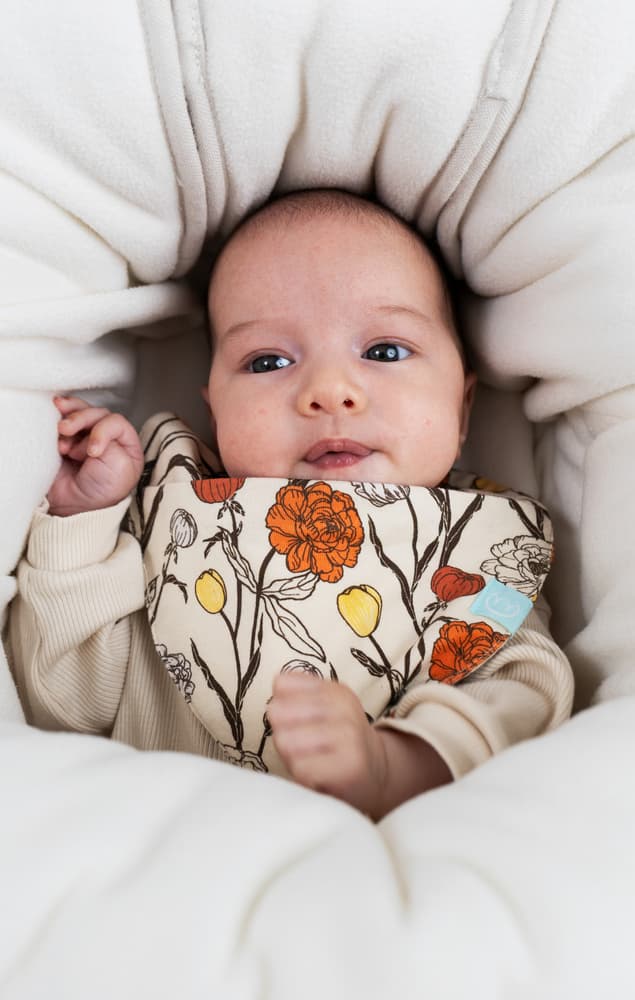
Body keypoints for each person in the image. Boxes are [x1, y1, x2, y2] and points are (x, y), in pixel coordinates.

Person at [7, 190, 573, 820]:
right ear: (216, 412)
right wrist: (82, 525)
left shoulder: (482, 545)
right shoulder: (171, 507)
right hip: (167, 833)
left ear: (462, 410)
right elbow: (65, 704)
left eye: (384, 351)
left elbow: (524, 690)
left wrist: (397, 761)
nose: (328, 391)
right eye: (268, 361)